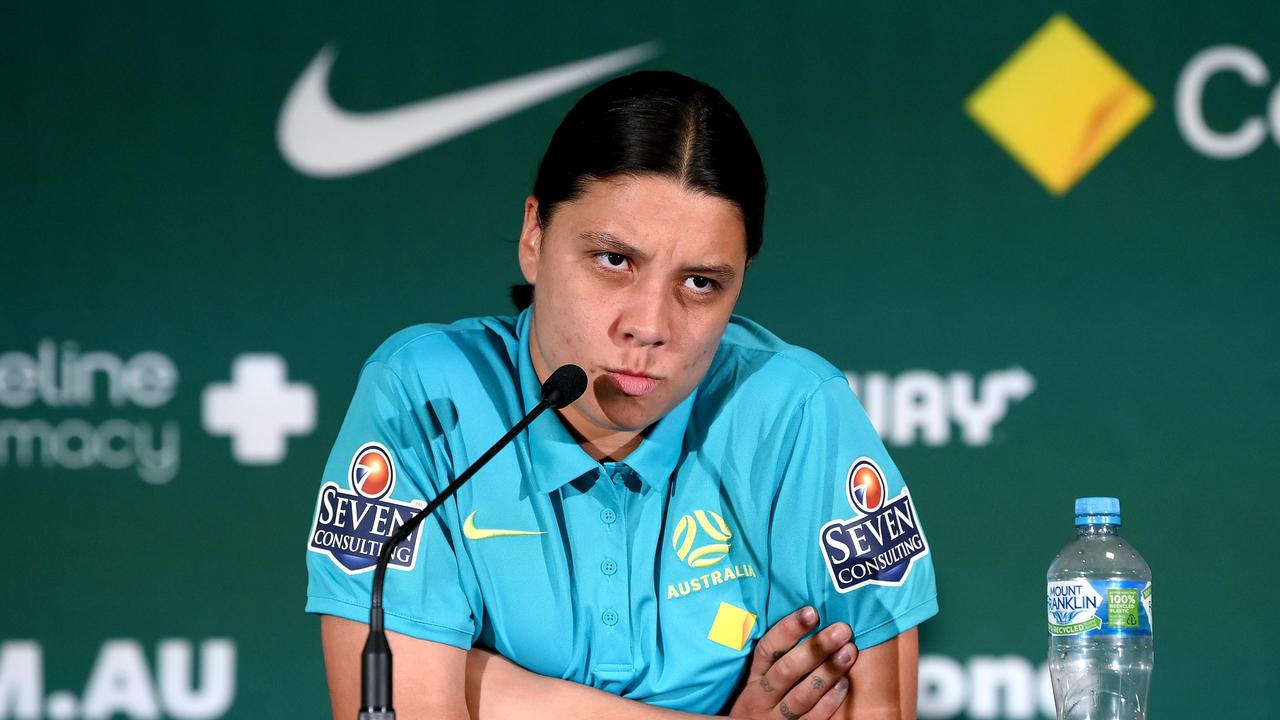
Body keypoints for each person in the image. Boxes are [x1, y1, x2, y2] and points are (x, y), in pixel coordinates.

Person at [306, 70, 937, 719]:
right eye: (614, 261)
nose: (650, 325)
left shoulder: (796, 413)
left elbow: (875, 710)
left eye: (700, 283)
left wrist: (496, 690)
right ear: (534, 236)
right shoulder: (428, 394)